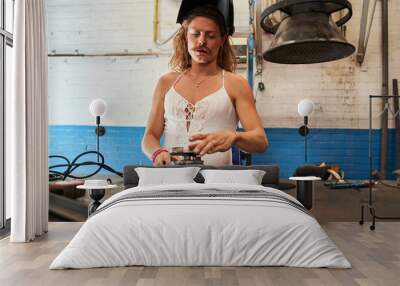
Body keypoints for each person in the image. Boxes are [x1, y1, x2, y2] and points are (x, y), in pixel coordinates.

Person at [142, 5, 268, 166]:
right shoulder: (166, 83)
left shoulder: (235, 84)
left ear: (222, 40)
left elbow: (261, 141)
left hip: (217, 184)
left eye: (210, 35)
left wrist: (234, 136)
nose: (201, 41)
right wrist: (157, 152)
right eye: (195, 34)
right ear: (185, 37)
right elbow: (149, 136)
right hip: (171, 181)